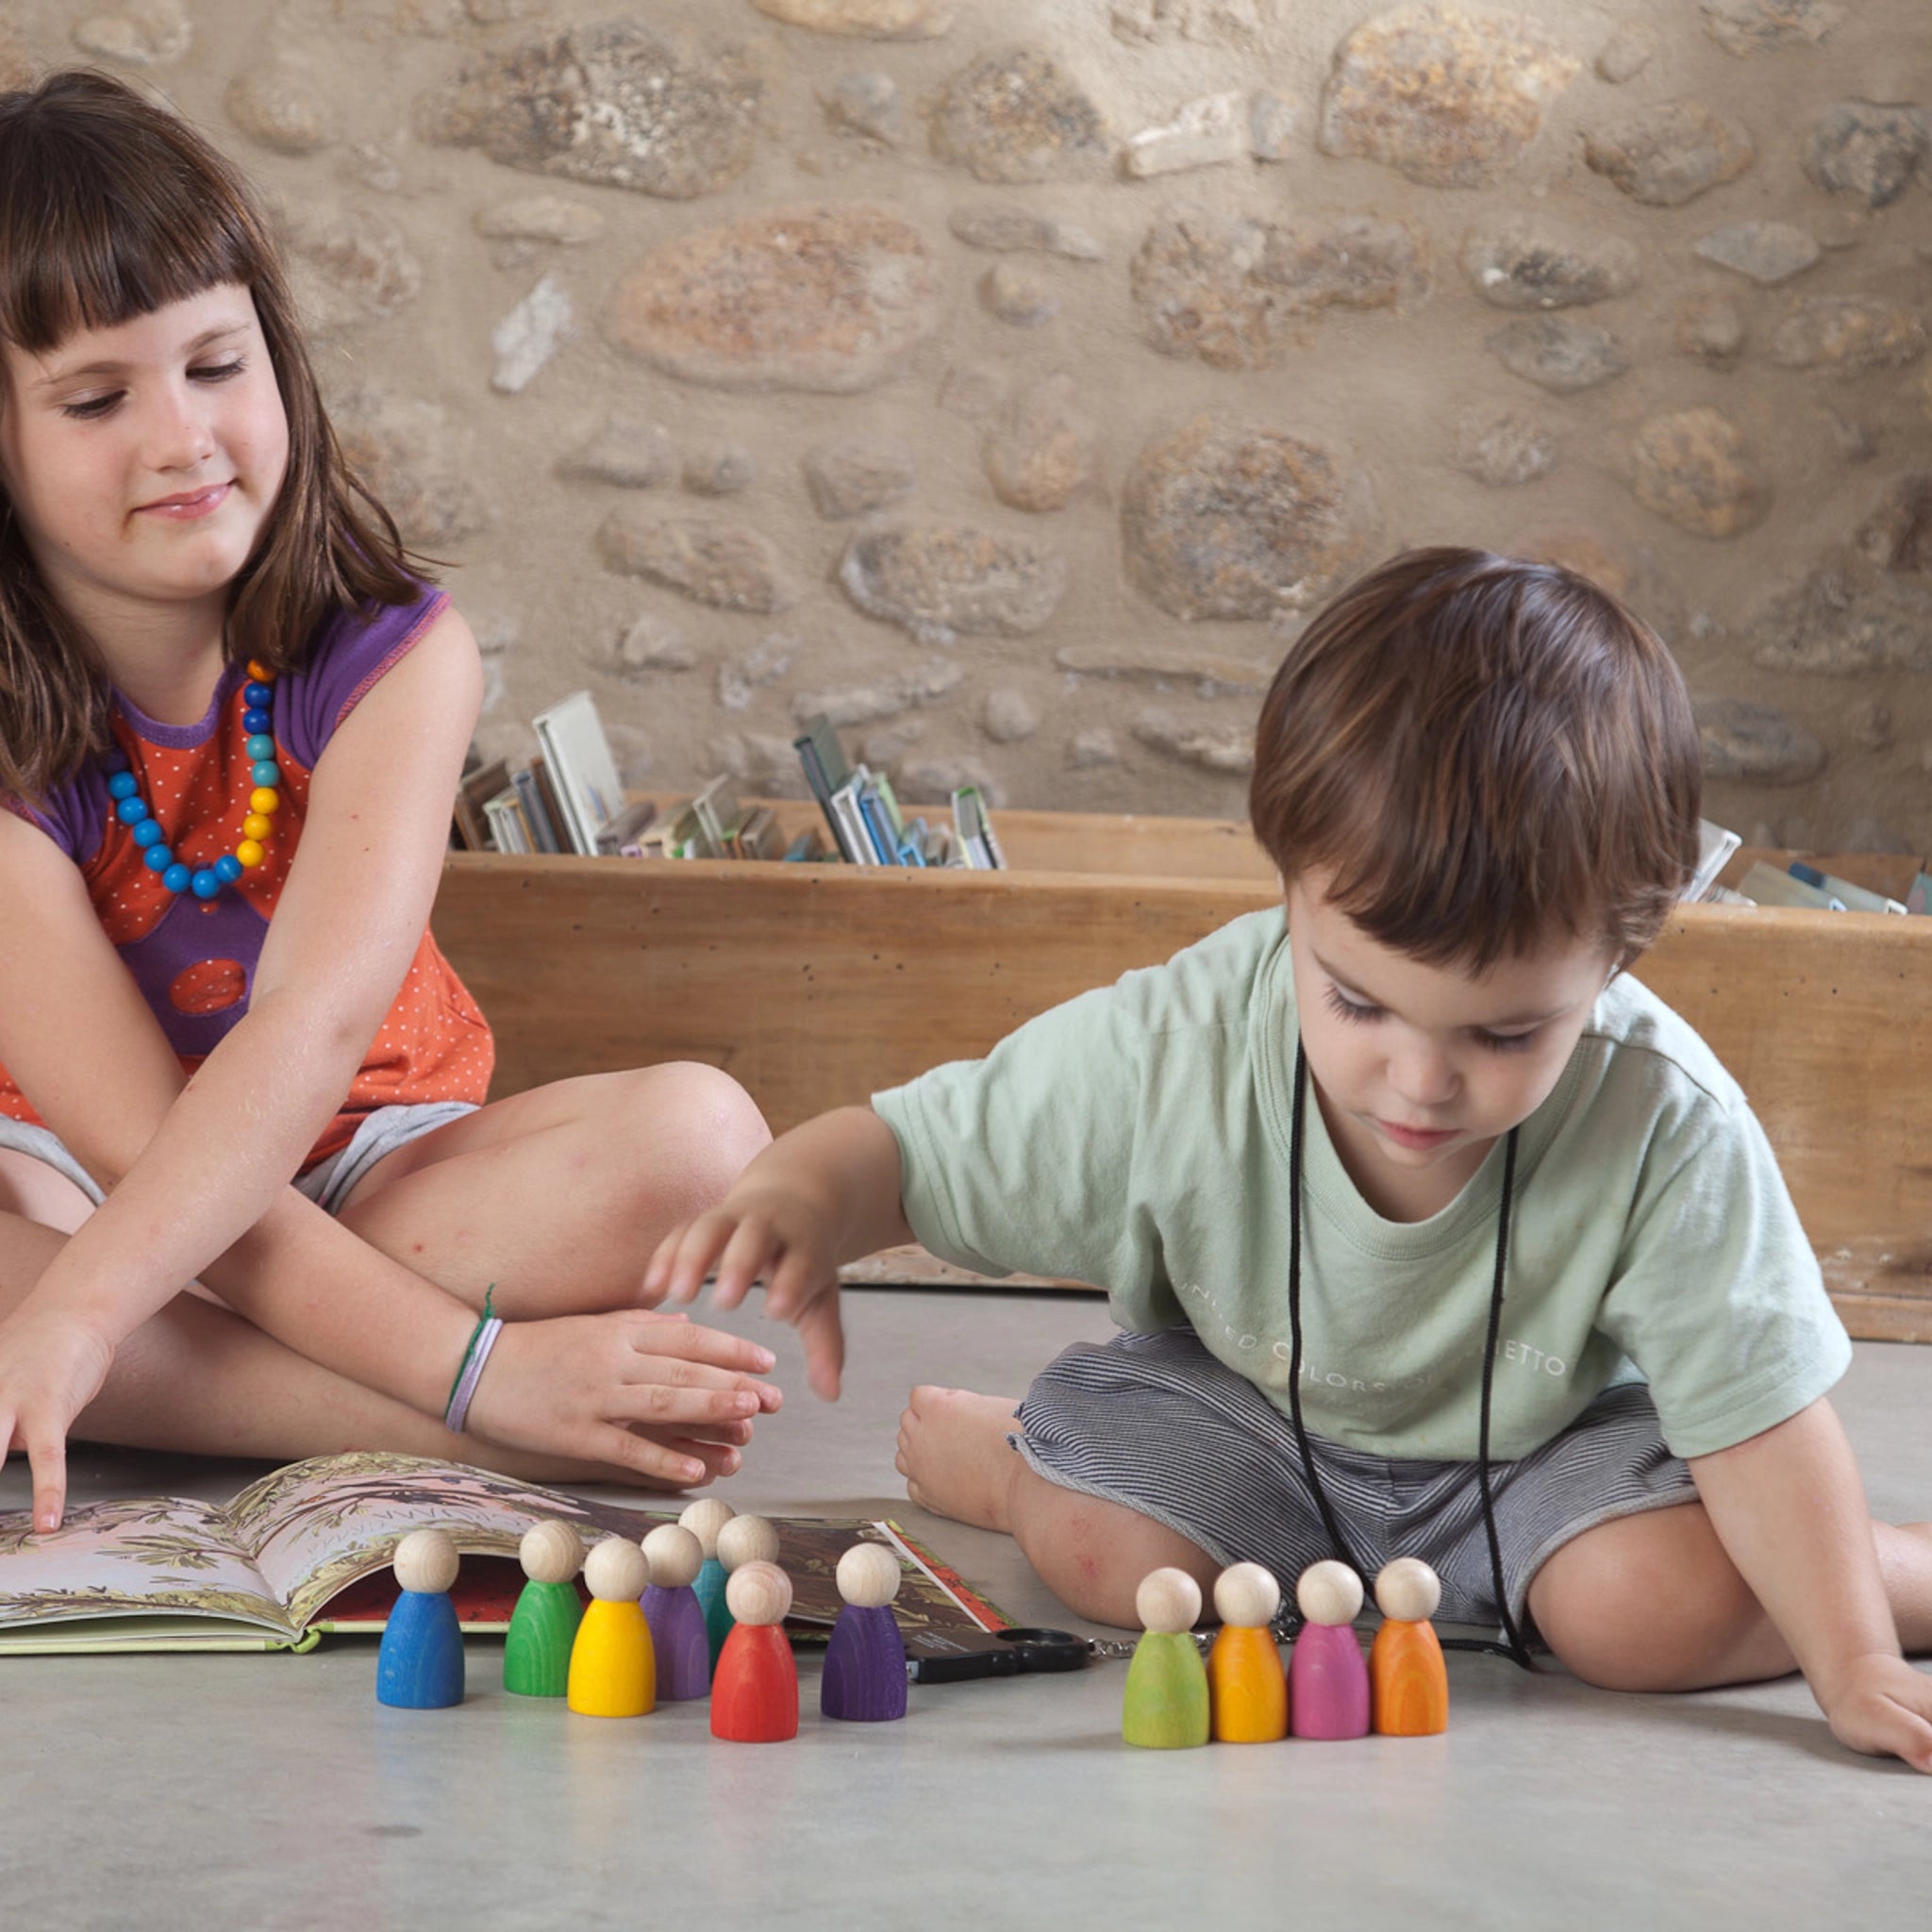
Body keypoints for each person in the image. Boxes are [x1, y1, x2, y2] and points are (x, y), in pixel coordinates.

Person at [648, 546, 1932, 1772]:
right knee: (1119, 1566)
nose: (1421, 1079)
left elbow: (1762, 1428)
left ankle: (1895, 1574)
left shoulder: (1666, 1121)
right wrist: (809, 1193)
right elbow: (924, 1151)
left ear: (1622, 955)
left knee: (1648, 1617)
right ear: (1291, 896)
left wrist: (1857, 1664)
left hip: (1543, 1459)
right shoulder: (1186, 1045)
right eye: (1361, 1004)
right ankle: (1008, 1466)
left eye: (1504, 1031)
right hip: (1242, 1422)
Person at [0, 71, 780, 1538]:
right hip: (82, 1186)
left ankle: (154, 1366)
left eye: (216, 365)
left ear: (278, 362)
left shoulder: (391, 657)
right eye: (97, 398)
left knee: (705, 1143)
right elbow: (129, 1145)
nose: (182, 438)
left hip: (369, 1163)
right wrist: (487, 1378)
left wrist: (88, 1318)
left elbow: (309, 1036)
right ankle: (432, 1415)